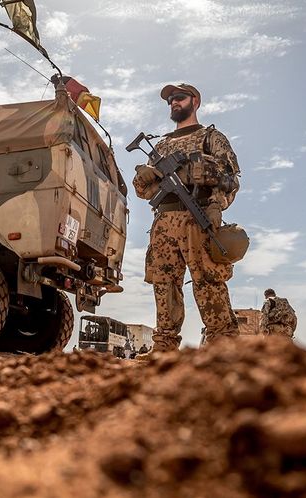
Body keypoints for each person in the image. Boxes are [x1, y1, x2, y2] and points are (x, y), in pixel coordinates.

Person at [132, 83, 242, 351]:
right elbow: (142, 191)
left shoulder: (211, 138)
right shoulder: (161, 145)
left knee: (209, 282)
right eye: (170, 100)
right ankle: (164, 347)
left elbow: (230, 179)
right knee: (164, 285)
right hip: (164, 222)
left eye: (179, 98)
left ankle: (223, 348)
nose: (173, 103)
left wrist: (216, 205)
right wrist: (144, 176)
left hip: (198, 216)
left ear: (195, 101)